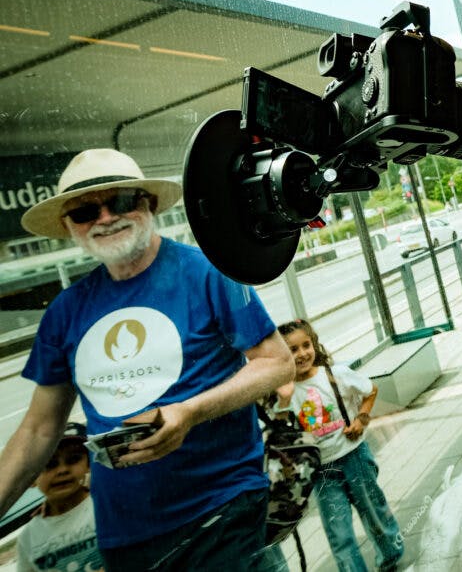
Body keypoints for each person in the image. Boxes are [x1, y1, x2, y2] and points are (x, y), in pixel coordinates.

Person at [0, 148, 295, 570]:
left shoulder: (208, 271)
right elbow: (38, 429)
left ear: (148, 204)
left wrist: (189, 412)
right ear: (69, 227)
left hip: (221, 509)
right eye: (84, 212)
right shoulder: (64, 313)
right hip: (126, 535)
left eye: (120, 202)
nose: (104, 218)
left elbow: (276, 363)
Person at [273, 319, 404, 572]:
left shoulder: (335, 375)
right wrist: (283, 397)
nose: (302, 354)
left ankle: (390, 557)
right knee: (338, 531)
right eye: (292, 350)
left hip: (354, 456)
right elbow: (279, 428)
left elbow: (371, 390)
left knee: (374, 512)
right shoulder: (286, 392)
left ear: (314, 345)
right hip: (322, 472)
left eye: (306, 345)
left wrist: (361, 419)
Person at [16, 422, 102, 572]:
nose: (62, 470)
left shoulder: (106, 506)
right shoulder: (28, 538)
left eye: (73, 459)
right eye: (50, 464)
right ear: (30, 479)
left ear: (90, 463)